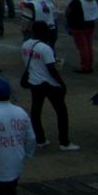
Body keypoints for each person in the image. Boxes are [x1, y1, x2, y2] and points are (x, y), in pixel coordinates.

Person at [21, 20, 77, 151]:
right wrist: (61, 83)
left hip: (34, 82)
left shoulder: (25, 45)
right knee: (61, 112)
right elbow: (51, 68)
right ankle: (64, 142)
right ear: (44, 32)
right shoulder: (45, 48)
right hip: (49, 84)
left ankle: (40, 139)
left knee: (36, 110)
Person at [67, 0, 98, 74]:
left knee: (82, 47)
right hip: (90, 25)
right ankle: (89, 64)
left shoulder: (77, 1)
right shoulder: (93, 0)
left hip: (78, 26)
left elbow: (68, 12)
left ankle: (85, 66)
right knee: (88, 46)